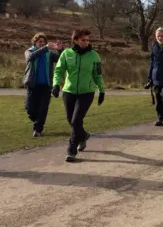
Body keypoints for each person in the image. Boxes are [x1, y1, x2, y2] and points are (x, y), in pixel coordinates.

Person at [52, 28, 105, 162]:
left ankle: (71, 149)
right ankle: (84, 135)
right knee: (71, 120)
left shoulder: (94, 56)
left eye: (88, 40)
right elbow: (59, 70)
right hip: (69, 92)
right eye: (83, 40)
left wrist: (101, 90)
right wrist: (56, 84)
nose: (86, 42)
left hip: (86, 92)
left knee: (76, 120)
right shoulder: (66, 54)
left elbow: (97, 75)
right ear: (75, 40)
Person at [24, 33, 63, 137]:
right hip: (33, 85)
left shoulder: (49, 54)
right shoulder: (29, 51)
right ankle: (36, 119)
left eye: (43, 42)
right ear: (35, 42)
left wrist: (60, 49)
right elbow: (31, 57)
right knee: (30, 109)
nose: (42, 44)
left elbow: (61, 59)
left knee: (43, 109)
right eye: (39, 42)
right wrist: (45, 48)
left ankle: (37, 129)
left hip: (46, 86)